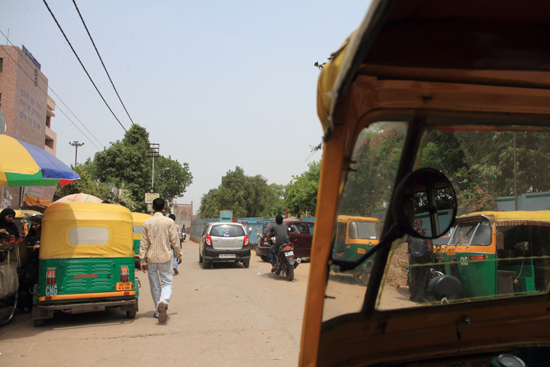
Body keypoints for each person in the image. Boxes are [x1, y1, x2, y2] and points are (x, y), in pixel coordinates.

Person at [139, 198, 182, 324]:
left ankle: (158, 310)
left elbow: (143, 243)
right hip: (165, 258)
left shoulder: (147, 223)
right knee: (167, 283)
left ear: (153, 208)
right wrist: (179, 255)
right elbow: (175, 240)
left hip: (151, 258)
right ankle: (164, 302)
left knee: (155, 285)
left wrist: (142, 260)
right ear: (164, 208)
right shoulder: (169, 222)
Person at [403, 193, 432, 302]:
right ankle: (419, 297)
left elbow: (408, 241)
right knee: (423, 277)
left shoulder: (410, 226)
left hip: (414, 255)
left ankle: (413, 296)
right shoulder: (424, 226)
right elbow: (429, 238)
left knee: (415, 276)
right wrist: (432, 248)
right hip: (423, 255)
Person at [18, 215, 42, 312]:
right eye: (33, 225)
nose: (34, 227)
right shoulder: (30, 236)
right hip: (28, 263)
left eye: (36, 225)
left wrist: (40, 247)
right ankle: (23, 306)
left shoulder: (44, 236)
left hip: (38, 263)